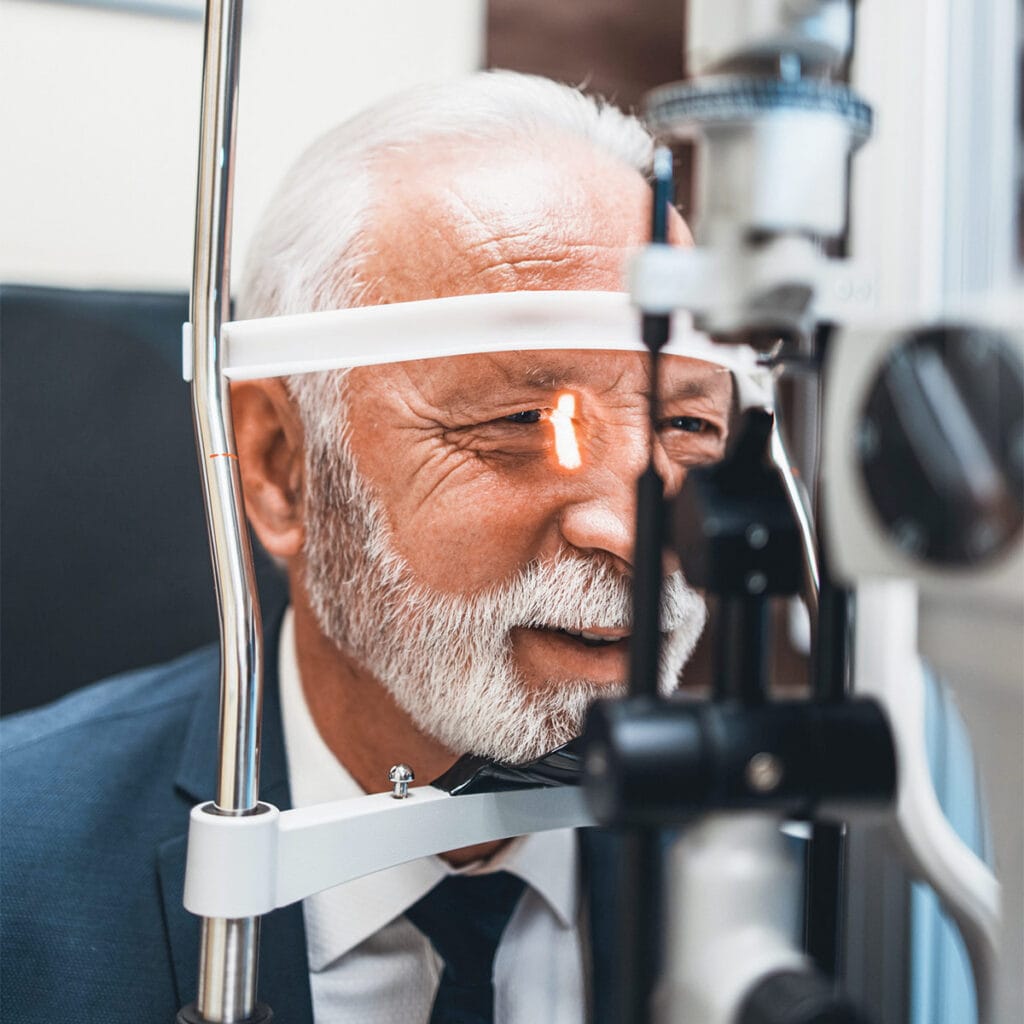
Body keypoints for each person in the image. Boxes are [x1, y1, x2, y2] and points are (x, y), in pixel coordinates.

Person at [0, 71, 736, 1023]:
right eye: (524, 418)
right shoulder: (20, 867)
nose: (639, 534)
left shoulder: (784, 881)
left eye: (688, 427)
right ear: (277, 465)